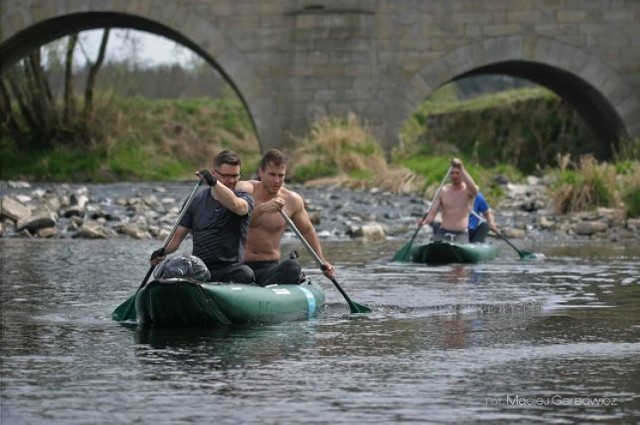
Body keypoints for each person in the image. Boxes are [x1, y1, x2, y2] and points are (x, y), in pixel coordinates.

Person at [150, 149, 255, 283]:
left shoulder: (244, 198)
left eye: (235, 176)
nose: (232, 181)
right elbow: (176, 237)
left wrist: (214, 183)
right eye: (226, 176)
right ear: (214, 173)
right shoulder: (195, 199)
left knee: (245, 273)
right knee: (172, 269)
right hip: (199, 268)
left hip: (230, 269)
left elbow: (238, 207)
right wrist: (162, 252)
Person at [236, 149, 335, 286]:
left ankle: (261, 292)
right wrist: (262, 209)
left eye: (281, 176)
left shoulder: (292, 200)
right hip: (239, 265)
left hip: (268, 267)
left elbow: (307, 231)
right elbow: (237, 220)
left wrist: (322, 261)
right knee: (239, 274)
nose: (277, 181)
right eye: (272, 175)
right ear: (261, 172)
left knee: (292, 267)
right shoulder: (246, 190)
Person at [419, 158, 479, 243]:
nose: (454, 176)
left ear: (462, 174)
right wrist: (424, 221)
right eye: (452, 173)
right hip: (443, 232)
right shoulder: (443, 191)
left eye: (457, 173)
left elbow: (474, 190)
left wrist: (461, 167)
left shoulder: (468, 191)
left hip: (461, 234)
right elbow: (432, 213)